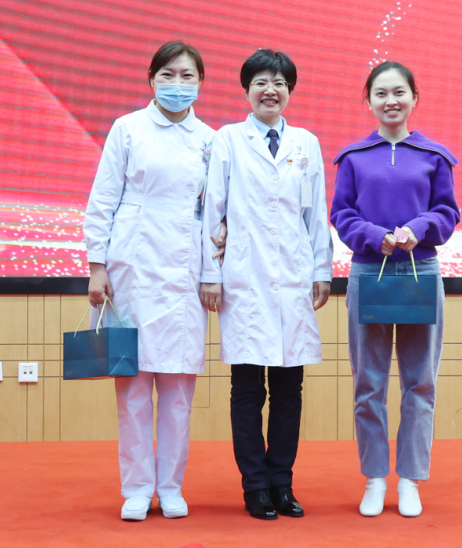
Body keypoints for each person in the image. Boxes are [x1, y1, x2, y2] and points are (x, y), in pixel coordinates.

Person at [199, 49, 333, 520]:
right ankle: (255, 486)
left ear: (289, 91)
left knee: (289, 390)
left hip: (294, 278)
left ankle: (282, 483)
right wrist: (210, 274)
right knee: (247, 390)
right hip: (244, 277)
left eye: (279, 82)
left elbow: (315, 212)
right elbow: (213, 210)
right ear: (246, 90)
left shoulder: (306, 142)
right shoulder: (229, 140)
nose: (270, 90)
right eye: (260, 82)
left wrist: (321, 270)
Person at [84, 40, 215, 522]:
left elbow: (216, 211)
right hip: (133, 266)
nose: (177, 84)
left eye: (187, 76)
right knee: (134, 387)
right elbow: (102, 199)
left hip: (185, 269)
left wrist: (213, 271)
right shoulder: (128, 129)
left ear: (200, 83)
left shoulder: (211, 140)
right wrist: (97, 265)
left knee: (178, 391)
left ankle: (171, 486)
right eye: (168, 75)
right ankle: (138, 488)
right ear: (151, 79)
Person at [330, 61, 460, 518]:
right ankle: (374, 478)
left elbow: (447, 213)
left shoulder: (435, 156)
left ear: (414, 98)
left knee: (419, 381)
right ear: (368, 101)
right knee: (368, 383)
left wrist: (417, 228)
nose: (391, 100)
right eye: (381, 93)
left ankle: (409, 479)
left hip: (420, 270)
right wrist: (374, 236)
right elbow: (341, 214)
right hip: (369, 272)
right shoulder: (353, 158)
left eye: (399, 92)